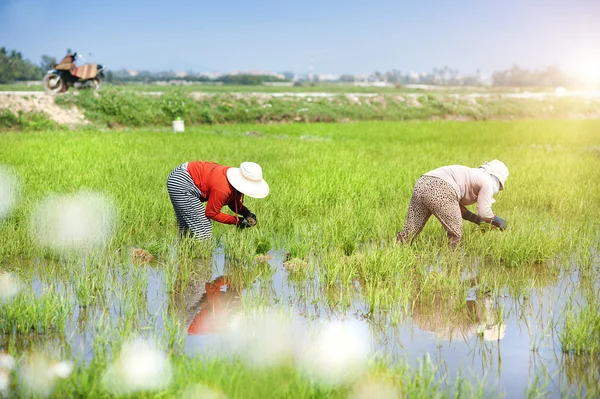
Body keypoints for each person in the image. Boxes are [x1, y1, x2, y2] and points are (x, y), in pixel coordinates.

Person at [396, 160, 508, 248]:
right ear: (498, 180)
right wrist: (500, 222)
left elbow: (457, 209)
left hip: (422, 183)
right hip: (441, 188)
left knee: (409, 232)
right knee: (455, 234)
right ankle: (452, 264)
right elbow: (484, 213)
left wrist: (480, 222)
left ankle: (395, 252)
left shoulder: (471, 174)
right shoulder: (487, 181)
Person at [166, 161, 269, 240]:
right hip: (182, 182)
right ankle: (201, 261)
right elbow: (211, 213)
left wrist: (247, 213)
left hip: (182, 174)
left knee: (187, 228)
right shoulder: (223, 187)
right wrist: (237, 221)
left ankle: (185, 258)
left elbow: (232, 202)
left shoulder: (234, 185)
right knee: (204, 230)